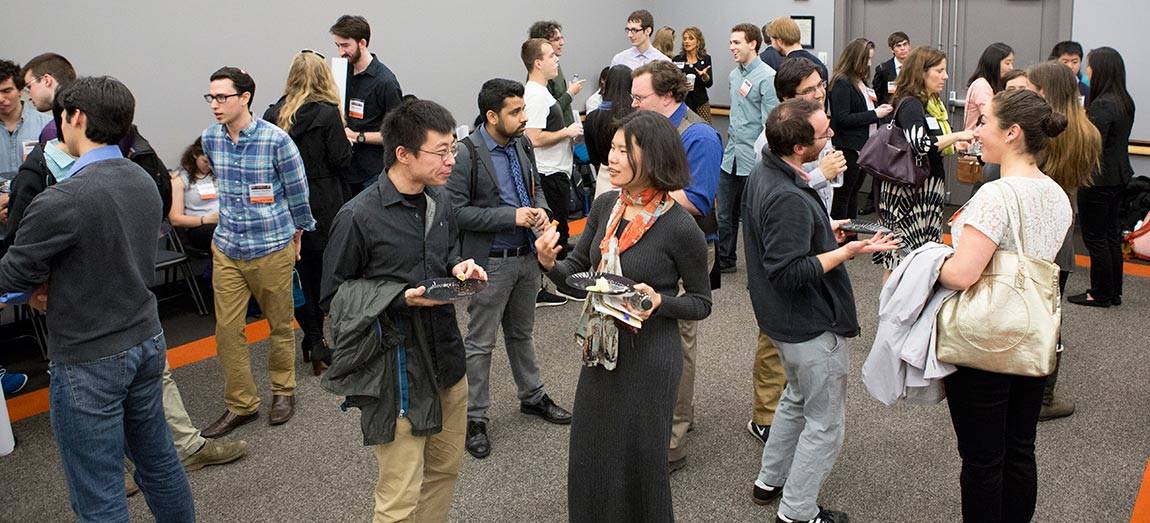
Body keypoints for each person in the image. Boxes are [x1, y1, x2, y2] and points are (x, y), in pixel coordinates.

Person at [0, 75, 195, 521]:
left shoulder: (63, 199)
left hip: (89, 357)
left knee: (98, 488)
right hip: (146, 340)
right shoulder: (143, 179)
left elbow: (12, 274)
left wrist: (29, 289)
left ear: (76, 118)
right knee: (159, 462)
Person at [536, 110, 712, 522]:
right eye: (612, 149)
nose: (610, 158)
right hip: (602, 353)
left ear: (650, 159)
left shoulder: (679, 226)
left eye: (622, 151)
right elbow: (578, 276)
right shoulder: (605, 206)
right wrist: (548, 263)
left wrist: (659, 303)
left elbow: (701, 303)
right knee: (591, 458)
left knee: (639, 463)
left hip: (650, 357)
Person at [321, 98, 485, 523]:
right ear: (403, 154)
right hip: (398, 371)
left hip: (448, 359)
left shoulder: (440, 200)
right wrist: (400, 298)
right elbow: (334, 299)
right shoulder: (358, 216)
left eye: (454, 148)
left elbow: (445, 253)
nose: (452, 160)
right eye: (441, 151)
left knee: (444, 471)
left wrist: (458, 266)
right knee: (399, 494)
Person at [744, 98, 898, 523]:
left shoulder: (766, 171)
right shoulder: (786, 196)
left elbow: (779, 238)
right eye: (821, 132)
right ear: (797, 147)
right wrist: (846, 251)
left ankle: (769, 481)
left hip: (780, 321)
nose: (830, 134)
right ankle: (796, 512)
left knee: (795, 397)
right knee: (825, 424)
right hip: (809, 325)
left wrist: (821, 229)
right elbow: (789, 271)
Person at [937, 88, 1072, 523]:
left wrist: (922, 262)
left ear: (1012, 133)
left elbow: (962, 274)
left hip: (986, 340)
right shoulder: (1056, 194)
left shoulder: (995, 196)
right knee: (1019, 450)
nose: (976, 131)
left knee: (982, 461)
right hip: (1033, 334)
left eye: (984, 122)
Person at [447, 79, 572, 461]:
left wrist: (539, 212)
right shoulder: (466, 153)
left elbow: (531, 188)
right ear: (491, 116)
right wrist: (510, 215)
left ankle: (532, 396)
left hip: (526, 257)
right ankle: (475, 419)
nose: (524, 117)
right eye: (515, 112)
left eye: (522, 110)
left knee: (522, 334)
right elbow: (456, 211)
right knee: (481, 343)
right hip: (490, 264)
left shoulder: (521, 143)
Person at [199, 67, 315, 438]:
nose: (215, 105)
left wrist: (298, 234)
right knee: (228, 330)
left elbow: (298, 194)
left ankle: (283, 390)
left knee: (279, 325)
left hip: (271, 246)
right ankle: (242, 404)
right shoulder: (210, 139)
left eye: (222, 97)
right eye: (211, 97)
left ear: (244, 97)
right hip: (228, 247)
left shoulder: (276, 141)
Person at [747, 57, 848, 446]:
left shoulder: (817, 125)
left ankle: (785, 417)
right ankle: (764, 418)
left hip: (810, 234)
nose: (820, 93)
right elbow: (782, 192)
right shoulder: (769, 141)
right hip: (787, 248)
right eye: (809, 90)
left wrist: (825, 224)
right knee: (777, 342)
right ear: (788, 99)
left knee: (796, 352)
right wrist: (824, 173)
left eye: (820, 84)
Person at [630, 60, 722, 471]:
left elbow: (698, 202)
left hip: (689, 249)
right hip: (653, 247)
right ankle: (663, 415)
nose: (632, 105)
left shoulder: (699, 135)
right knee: (654, 337)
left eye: (639, 97)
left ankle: (672, 440)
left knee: (680, 343)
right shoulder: (647, 132)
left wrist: (640, 191)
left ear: (667, 96)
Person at [263, 50, 354, 376]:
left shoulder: (274, 114)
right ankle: (320, 342)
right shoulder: (328, 114)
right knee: (324, 274)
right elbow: (342, 160)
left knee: (301, 278)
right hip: (324, 201)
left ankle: (312, 339)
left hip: (287, 203)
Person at [1025, 61, 1101, 421]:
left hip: (1036, 230)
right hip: (1063, 232)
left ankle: (1031, 394)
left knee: (1028, 309)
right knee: (1050, 315)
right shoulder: (1086, 131)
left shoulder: (1045, 132)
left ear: (1046, 91)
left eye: (1033, 88)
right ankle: (1044, 394)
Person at [874, 47, 973, 274]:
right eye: (940, 70)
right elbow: (921, 145)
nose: (945, 77)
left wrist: (953, 144)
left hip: (923, 189)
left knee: (920, 256)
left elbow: (929, 141)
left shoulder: (930, 103)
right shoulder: (911, 104)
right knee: (900, 259)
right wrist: (958, 135)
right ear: (922, 73)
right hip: (909, 192)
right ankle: (893, 308)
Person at [1069, 46, 1135, 308]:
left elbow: (1091, 145)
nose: (1087, 70)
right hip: (1119, 175)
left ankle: (1099, 293)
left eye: (1089, 65)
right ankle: (1113, 291)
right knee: (1110, 235)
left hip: (1099, 179)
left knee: (1095, 237)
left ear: (1099, 70)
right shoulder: (1124, 100)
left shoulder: (1102, 105)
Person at [718, 23, 777, 274]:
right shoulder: (734, 75)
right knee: (724, 214)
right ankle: (725, 259)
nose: (731, 47)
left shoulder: (767, 77)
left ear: (753, 44)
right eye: (730, 42)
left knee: (752, 217)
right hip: (730, 155)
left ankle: (760, 269)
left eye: (737, 42)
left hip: (753, 160)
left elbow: (771, 123)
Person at [522, 38, 583, 266]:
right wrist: (566, 132)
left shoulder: (542, 91)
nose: (556, 58)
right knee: (557, 232)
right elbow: (533, 138)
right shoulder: (535, 95)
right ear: (538, 63)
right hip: (548, 173)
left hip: (556, 170)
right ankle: (560, 283)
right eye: (550, 56)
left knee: (561, 228)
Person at [331, 14, 404, 195]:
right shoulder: (340, 72)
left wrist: (357, 136)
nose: (341, 52)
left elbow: (397, 133)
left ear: (362, 43)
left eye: (345, 45)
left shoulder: (385, 82)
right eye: (338, 45)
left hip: (371, 175)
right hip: (343, 171)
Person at [828, 38, 893, 220]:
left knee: (853, 193)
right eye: (867, 59)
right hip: (848, 147)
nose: (869, 63)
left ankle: (851, 236)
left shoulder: (860, 81)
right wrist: (876, 115)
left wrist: (879, 111)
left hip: (863, 147)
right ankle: (841, 238)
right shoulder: (842, 82)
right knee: (843, 195)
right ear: (856, 59)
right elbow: (842, 118)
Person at [584, 64, 634, 197]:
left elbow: (593, 158)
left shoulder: (592, 118)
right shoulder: (636, 117)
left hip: (603, 178)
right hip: (631, 180)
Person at [529, 20, 586, 127]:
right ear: (543, 44)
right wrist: (570, 93)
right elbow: (550, 110)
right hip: (555, 135)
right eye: (556, 39)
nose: (562, 43)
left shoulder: (555, 66)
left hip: (566, 130)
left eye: (561, 38)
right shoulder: (540, 74)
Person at [168, 138, 218, 252]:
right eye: (205, 161)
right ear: (195, 155)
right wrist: (206, 219)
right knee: (223, 235)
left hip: (223, 222)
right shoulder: (179, 180)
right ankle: (213, 268)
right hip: (199, 226)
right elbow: (175, 219)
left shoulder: (218, 174)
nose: (209, 166)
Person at [1, 59, 50, 174]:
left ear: (20, 90)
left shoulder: (47, 126)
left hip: (37, 191)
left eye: (6, 91)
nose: (1, 99)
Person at [964, 43, 1014, 134]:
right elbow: (991, 117)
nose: (1011, 68)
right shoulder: (982, 86)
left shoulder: (993, 85)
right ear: (994, 63)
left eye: (1012, 63)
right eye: (1007, 63)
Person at [764, 17, 828, 81]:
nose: (772, 45)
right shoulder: (819, 64)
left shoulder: (785, 69)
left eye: (772, 40)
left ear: (780, 41)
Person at [672, 26, 714, 122]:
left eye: (691, 38)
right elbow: (672, 82)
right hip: (682, 103)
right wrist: (681, 84)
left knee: (706, 129)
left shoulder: (705, 59)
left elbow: (709, 84)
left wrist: (705, 76)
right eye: (685, 39)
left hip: (701, 103)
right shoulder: (677, 60)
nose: (687, 41)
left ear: (698, 42)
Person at [873, 32, 911, 107]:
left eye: (905, 44)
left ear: (909, 46)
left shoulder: (917, 67)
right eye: (898, 46)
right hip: (890, 113)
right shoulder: (883, 69)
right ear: (892, 50)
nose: (902, 48)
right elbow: (877, 95)